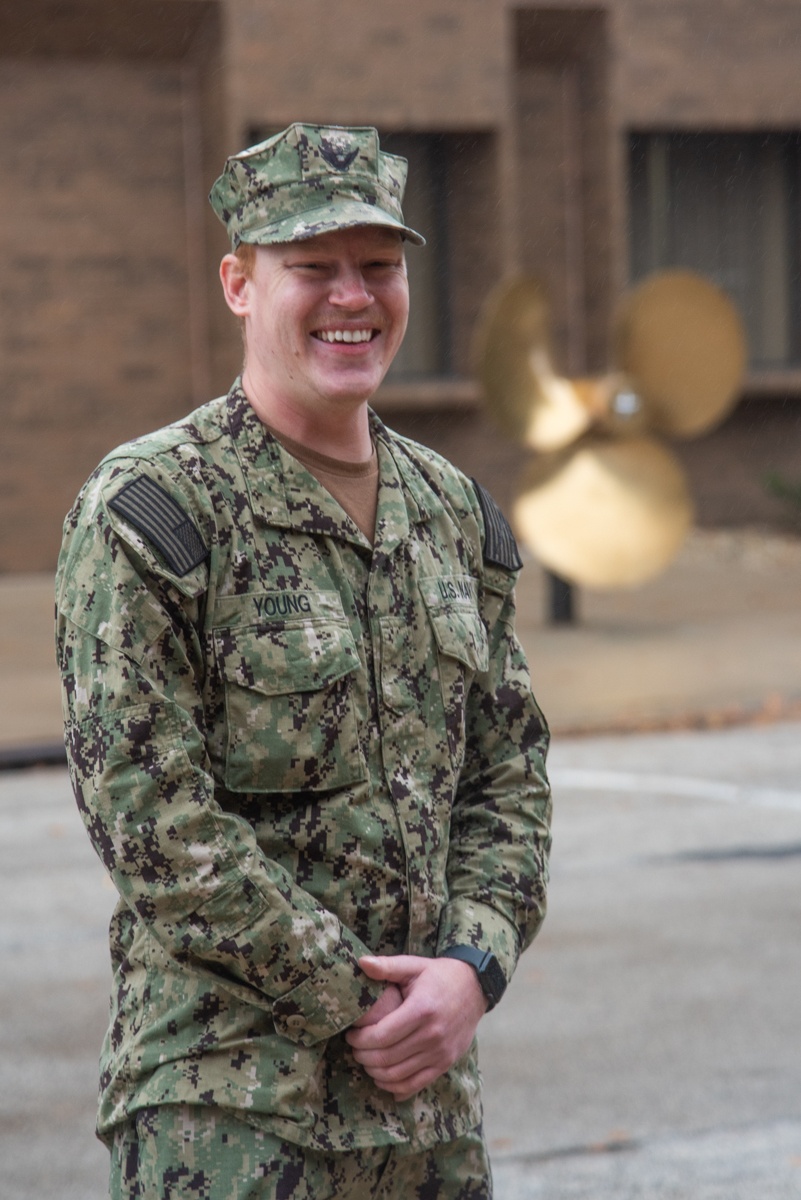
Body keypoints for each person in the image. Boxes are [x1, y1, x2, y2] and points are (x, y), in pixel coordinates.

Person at [56, 122, 552, 1200]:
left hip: (426, 1116)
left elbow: (508, 780)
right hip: (227, 1110)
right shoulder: (156, 512)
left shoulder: (455, 515)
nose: (352, 297)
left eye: (378, 266)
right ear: (240, 283)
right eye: (311, 268)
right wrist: (353, 996)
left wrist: (474, 969)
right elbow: (149, 818)